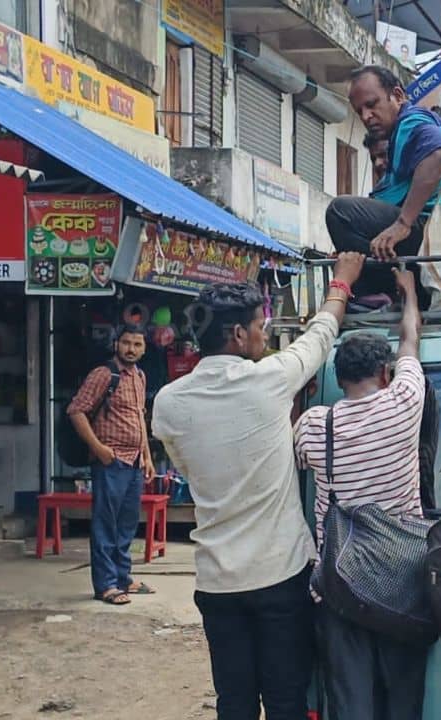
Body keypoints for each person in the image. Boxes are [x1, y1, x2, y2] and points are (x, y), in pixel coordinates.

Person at [151, 253, 365, 719]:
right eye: (260, 327)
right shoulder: (269, 380)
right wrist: (342, 281)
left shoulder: (168, 403)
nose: (264, 336)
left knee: (235, 703)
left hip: (217, 581)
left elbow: (190, 465)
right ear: (239, 335)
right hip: (279, 576)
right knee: (288, 701)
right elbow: (321, 335)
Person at [294, 267, 428, 720]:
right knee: (403, 700)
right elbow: (411, 338)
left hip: (340, 583)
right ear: (385, 373)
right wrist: (408, 293)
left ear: (339, 376)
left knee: (350, 704)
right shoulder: (405, 402)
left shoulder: (316, 425)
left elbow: (294, 460)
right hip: (405, 579)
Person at [326, 67, 441, 297]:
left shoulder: (411, 120)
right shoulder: (399, 141)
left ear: (398, 96)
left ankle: (383, 294)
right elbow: (381, 200)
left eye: (372, 104)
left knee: (340, 211)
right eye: (359, 110)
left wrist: (403, 223)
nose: (366, 116)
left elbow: (439, 154)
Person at [67, 324, 155, 606]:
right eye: (127, 343)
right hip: (111, 460)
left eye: (137, 344)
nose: (131, 349)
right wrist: (99, 449)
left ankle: (123, 577)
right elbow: (76, 410)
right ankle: (105, 584)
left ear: (144, 348)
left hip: (134, 462)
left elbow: (140, 417)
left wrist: (148, 456)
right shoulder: (104, 374)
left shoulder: (139, 376)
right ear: (117, 344)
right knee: (106, 523)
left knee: (126, 524)